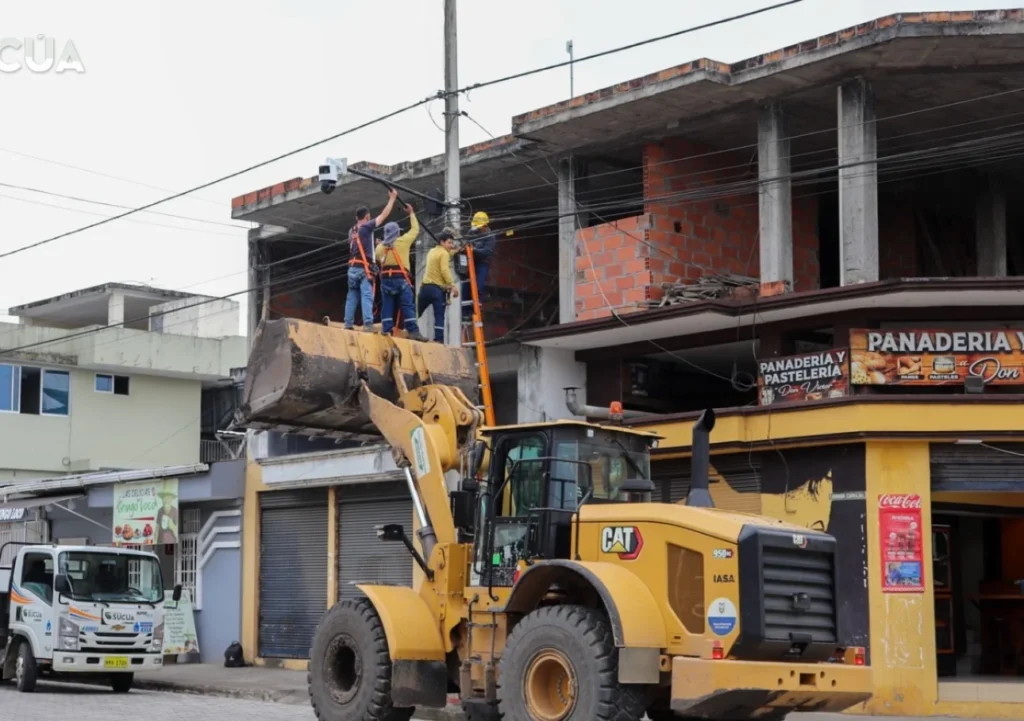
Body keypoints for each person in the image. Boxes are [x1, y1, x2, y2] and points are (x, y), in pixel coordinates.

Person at [345, 188, 398, 331]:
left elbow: (358, 245)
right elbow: (384, 215)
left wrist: (373, 244)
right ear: (367, 216)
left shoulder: (352, 230)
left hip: (352, 268)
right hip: (364, 268)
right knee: (366, 295)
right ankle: (368, 324)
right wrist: (392, 199)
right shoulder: (367, 227)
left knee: (352, 296)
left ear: (357, 217)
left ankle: (348, 324)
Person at [375, 204, 427, 341]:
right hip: (401, 279)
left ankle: (386, 331)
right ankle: (413, 331)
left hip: (386, 280)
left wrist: (382, 245)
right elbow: (415, 229)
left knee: (387, 306)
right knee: (407, 305)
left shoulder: (379, 248)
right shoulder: (403, 241)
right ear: (397, 233)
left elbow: (379, 260)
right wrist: (411, 213)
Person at [418, 230, 460, 342]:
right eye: (449, 243)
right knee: (439, 316)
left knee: (417, 311)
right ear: (442, 242)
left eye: (452, 243)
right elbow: (444, 270)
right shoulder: (444, 254)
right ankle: (439, 340)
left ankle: (408, 329)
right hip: (437, 290)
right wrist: (453, 286)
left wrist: (455, 251)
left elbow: (444, 254)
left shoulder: (432, 251)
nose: (451, 245)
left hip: (425, 288)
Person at [462, 211, 496, 317]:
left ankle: (476, 307)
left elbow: (487, 252)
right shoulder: (472, 233)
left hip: (482, 263)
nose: (478, 229)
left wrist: (473, 250)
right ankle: (465, 311)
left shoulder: (490, 237)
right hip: (471, 262)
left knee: (478, 285)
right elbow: (465, 242)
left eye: (480, 227)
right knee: (466, 286)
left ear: (485, 225)